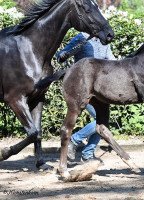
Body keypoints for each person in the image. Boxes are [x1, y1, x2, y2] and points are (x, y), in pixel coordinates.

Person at [56, 32, 115, 162]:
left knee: (103, 122)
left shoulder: (103, 41)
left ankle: (86, 153)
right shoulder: (81, 38)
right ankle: (75, 141)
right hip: (82, 88)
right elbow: (61, 55)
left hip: (101, 89)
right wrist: (62, 55)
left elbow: (112, 61)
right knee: (100, 121)